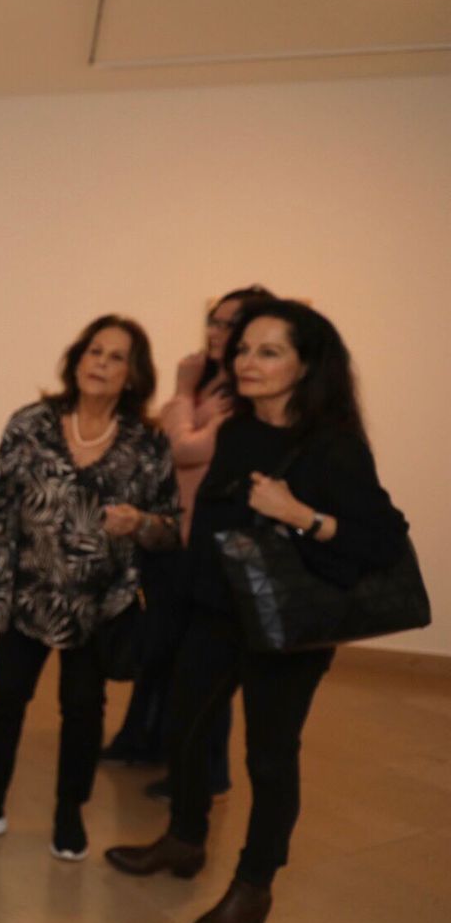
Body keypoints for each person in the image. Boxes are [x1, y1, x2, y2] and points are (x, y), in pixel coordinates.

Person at [105, 298, 408, 923]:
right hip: (216, 613)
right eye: (243, 348)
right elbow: (214, 523)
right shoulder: (239, 431)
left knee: (269, 758)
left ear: (307, 365)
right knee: (185, 731)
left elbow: (383, 539)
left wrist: (301, 513)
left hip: (289, 628)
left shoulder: (333, 447)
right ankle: (184, 841)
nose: (247, 361)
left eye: (268, 351)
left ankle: (254, 887)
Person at [0, 315, 181, 861]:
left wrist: (140, 522)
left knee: (82, 709)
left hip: (100, 601)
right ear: (77, 359)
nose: (100, 363)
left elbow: (171, 525)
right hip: (27, 589)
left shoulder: (148, 444)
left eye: (116, 356)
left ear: (133, 373)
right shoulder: (31, 424)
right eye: (93, 351)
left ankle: (69, 813)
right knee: (5, 699)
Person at [104, 286, 275, 786]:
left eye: (230, 325)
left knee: (203, 664)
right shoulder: (213, 385)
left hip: (207, 542)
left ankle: (205, 775)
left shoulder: (245, 395)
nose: (217, 333)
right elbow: (172, 442)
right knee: (161, 648)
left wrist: (180, 391)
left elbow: (182, 446)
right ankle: (144, 742)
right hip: (170, 531)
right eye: (214, 322)